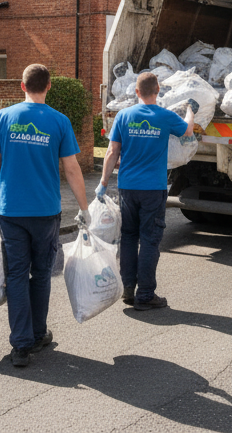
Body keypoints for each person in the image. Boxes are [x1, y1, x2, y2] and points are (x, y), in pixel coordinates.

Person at [0, 63, 91, 368]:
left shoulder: (4, 117)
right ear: (48, 87)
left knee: (16, 275)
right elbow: (71, 169)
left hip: (10, 211)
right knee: (41, 274)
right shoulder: (59, 121)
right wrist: (84, 209)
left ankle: (21, 345)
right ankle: (38, 333)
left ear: (22, 86)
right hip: (45, 212)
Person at [96, 71, 194, 311]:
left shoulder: (124, 116)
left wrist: (103, 183)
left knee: (129, 236)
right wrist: (190, 110)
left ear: (136, 92)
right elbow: (188, 132)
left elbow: (112, 152)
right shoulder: (165, 116)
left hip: (127, 187)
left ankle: (128, 289)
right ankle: (146, 294)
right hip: (153, 188)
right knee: (150, 239)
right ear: (158, 91)